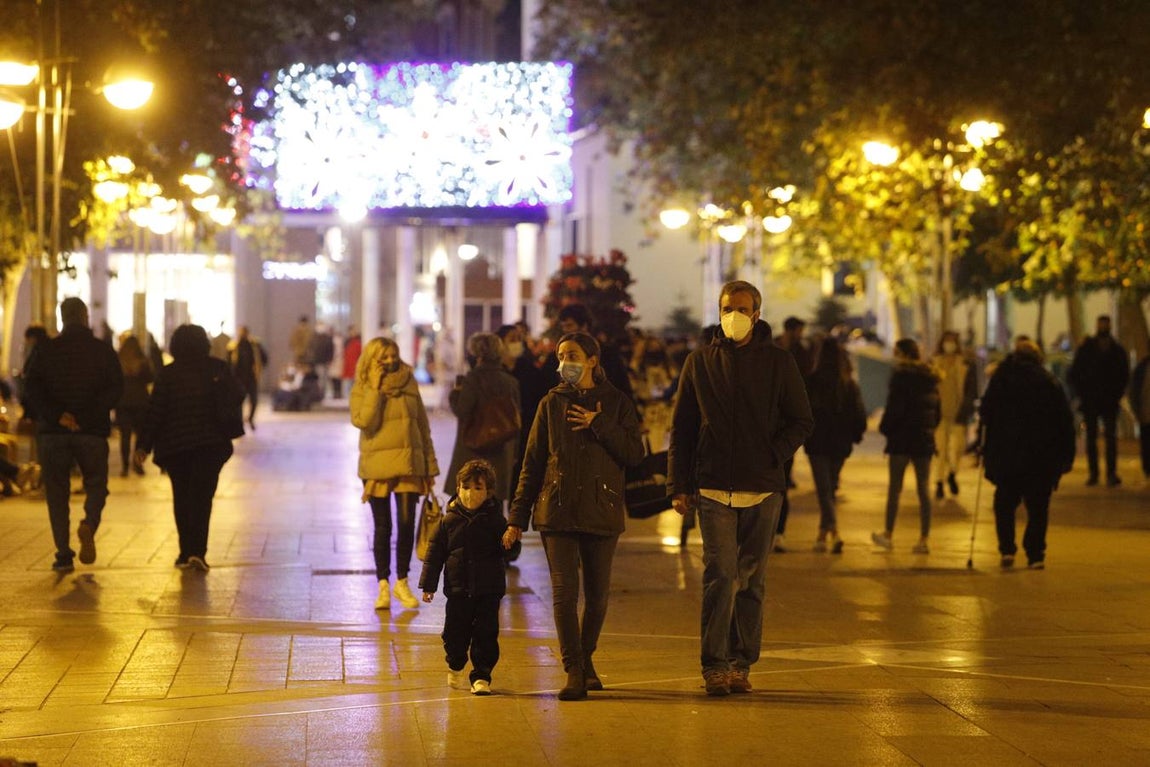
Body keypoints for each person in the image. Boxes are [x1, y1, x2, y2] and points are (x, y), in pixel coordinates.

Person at [668, 280, 813, 696]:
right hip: (713, 486)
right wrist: (680, 484)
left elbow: (802, 419)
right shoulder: (700, 362)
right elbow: (683, 426)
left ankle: (740, 661)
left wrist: (773, 454)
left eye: (742, 308)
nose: (734, 314)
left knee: (751, 579)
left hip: (763, 488)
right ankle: (714, 664)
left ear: (757, 314)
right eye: (727, 307)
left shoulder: (779, 363)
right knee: (721, 574)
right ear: (719, 311)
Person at [505, 331, 644, 701]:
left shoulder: (617, 403)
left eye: (573, 354)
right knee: (565, 594)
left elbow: (635, 453)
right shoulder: (550, 404)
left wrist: (599, 424)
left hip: (602, 508)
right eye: (561, 354)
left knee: (597, 597)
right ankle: (574, 669)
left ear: (593, 360)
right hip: (558, 509)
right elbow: (531, 462)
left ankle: (586, 659)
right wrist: (517, 515)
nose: (565, 361)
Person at [23, 297, 123, 573]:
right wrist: (88, 415)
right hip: (91, 431)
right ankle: (89, 523)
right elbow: (116, 388)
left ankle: (63, 553)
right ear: (85, 316)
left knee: (57, 492)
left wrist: (58, 415)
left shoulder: (45, 350)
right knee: (96, 484)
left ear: (62, 318)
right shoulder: (102, 351)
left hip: (53, 433)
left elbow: (31, 386)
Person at [134, 325, 245, 571]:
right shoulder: (217, 368)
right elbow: (239, 393)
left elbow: (156, 411)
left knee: (182, 497)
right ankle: (198, 552)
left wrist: (143, 445)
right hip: (211, 445)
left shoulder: (168, 374)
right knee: (202, 498)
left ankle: (185, 552)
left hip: (177, 447)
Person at [350, 336, 439, 611]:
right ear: (372, 360)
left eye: (393, 356)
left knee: (406, 524)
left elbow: (422, 425)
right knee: (383, 526)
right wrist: (375, 389)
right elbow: (364, 422)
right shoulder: (363, 386)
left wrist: (430, 466)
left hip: (409, 464)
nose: (390, 362)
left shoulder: (409, 380)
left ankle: (402, 580)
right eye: (383, 357)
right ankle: (383, 586)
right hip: (377, 466)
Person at [980, 338, 1075, 569]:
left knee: (1004, 504)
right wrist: (1065, 457)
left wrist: (987, 450)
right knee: (1038, 507)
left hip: (1007, 455)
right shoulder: (1049, 382)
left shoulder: (1001, 380)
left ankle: (1007, 550)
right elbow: (1064, 422)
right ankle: (1035, 553)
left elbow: (986, 413)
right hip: (1040, 457)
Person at [419, 459, 509, 696]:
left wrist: (510, 541)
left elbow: (509, 550)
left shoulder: (495, 520)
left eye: (477, 488)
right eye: (466, 487)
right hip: (458, 590)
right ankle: (455, 662)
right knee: (454, 633)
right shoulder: (448, 521)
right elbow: (434, 555)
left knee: (486, 633)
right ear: (458, 488)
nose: (470, 493)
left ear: (488, 492)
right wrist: (428, 585)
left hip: (488, 589)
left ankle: (481, 675)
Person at [872, 338, 941, 554]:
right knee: (923, 489)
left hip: (901, 440)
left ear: (902, 353)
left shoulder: (900, 377)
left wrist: (885, 429)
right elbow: (936, 412)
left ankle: (889, 534)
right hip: (923, 440)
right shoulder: (931, 377)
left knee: (895, 488)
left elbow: (894, 409)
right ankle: (924, 538)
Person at [803, 337, 867, 553]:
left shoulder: (811, 381)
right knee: (829, 488)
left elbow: (804, 413)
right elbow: (858, 413)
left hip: (818, 443)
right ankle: (826, 533)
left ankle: (831, 531)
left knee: (825, 490)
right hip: (840, 443)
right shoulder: (848, 383)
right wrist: (856, 435)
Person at [443, 333, 521, 503]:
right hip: (502, 448)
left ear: (476, 354)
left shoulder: (472, 380)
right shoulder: (510, 381)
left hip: (474, 447)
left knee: (471, 499)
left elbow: (463, 410)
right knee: (494, 499)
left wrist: (455, 395)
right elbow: (517, 417)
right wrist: (515, 452)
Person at [1068, 315, 1130, 486]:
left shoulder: (1112, 350)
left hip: (1104, 400)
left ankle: (1107, 473)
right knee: (1096, 438)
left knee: (1107, 438)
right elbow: (1075, 374)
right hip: (1094, 400)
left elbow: (1123, 375)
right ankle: (1097, 473)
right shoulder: (1094, 349)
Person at [931, 330, 978, 498]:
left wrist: (966, 409)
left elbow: (972, 390)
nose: (949, 344)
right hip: (939, 415)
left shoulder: (965, 364)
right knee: (941, 449)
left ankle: (952, 473)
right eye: (946, 340)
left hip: (959, 415)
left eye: (952, 341)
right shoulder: (934, 363)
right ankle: (939, 482)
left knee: (957, 448)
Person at [115, 335, 154, 477]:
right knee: (139, 436)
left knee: (124, 436)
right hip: (140, 402)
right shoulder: (143, 362)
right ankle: (137, 464)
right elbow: (150, 378)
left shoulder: (119, 361)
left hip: (123, 402)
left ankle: (125, 467)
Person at [229, 326, 266, 431]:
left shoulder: (254, 345)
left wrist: (258, 368)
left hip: (251, 378)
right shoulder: (233, 347)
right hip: (239, 379)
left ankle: (250, 418)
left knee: (254, 400)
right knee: (239, 402)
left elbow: (264, 358)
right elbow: (229, 363)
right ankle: (240, 422)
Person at [1132, 351, 1150, 484]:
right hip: (1146, 413)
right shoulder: (1142, 367)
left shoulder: (1142, 367)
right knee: (1147, 442)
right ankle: (1148, 468)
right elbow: (1135, 390)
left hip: (1145, 412)